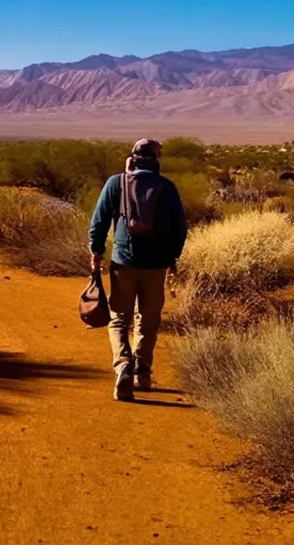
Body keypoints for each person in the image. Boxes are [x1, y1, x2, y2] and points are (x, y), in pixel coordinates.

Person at [87, 139, 187, 401]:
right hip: (157, 265)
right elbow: (180, 227)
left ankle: (123, 366)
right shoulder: (167, 187)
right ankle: (143, 373)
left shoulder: (116, 183)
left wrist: (96, 252)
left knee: (119, 317)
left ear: (132, 157)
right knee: (148, 319)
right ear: (156, 159)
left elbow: (99, 221)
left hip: (124, 261)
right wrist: (173, 256)